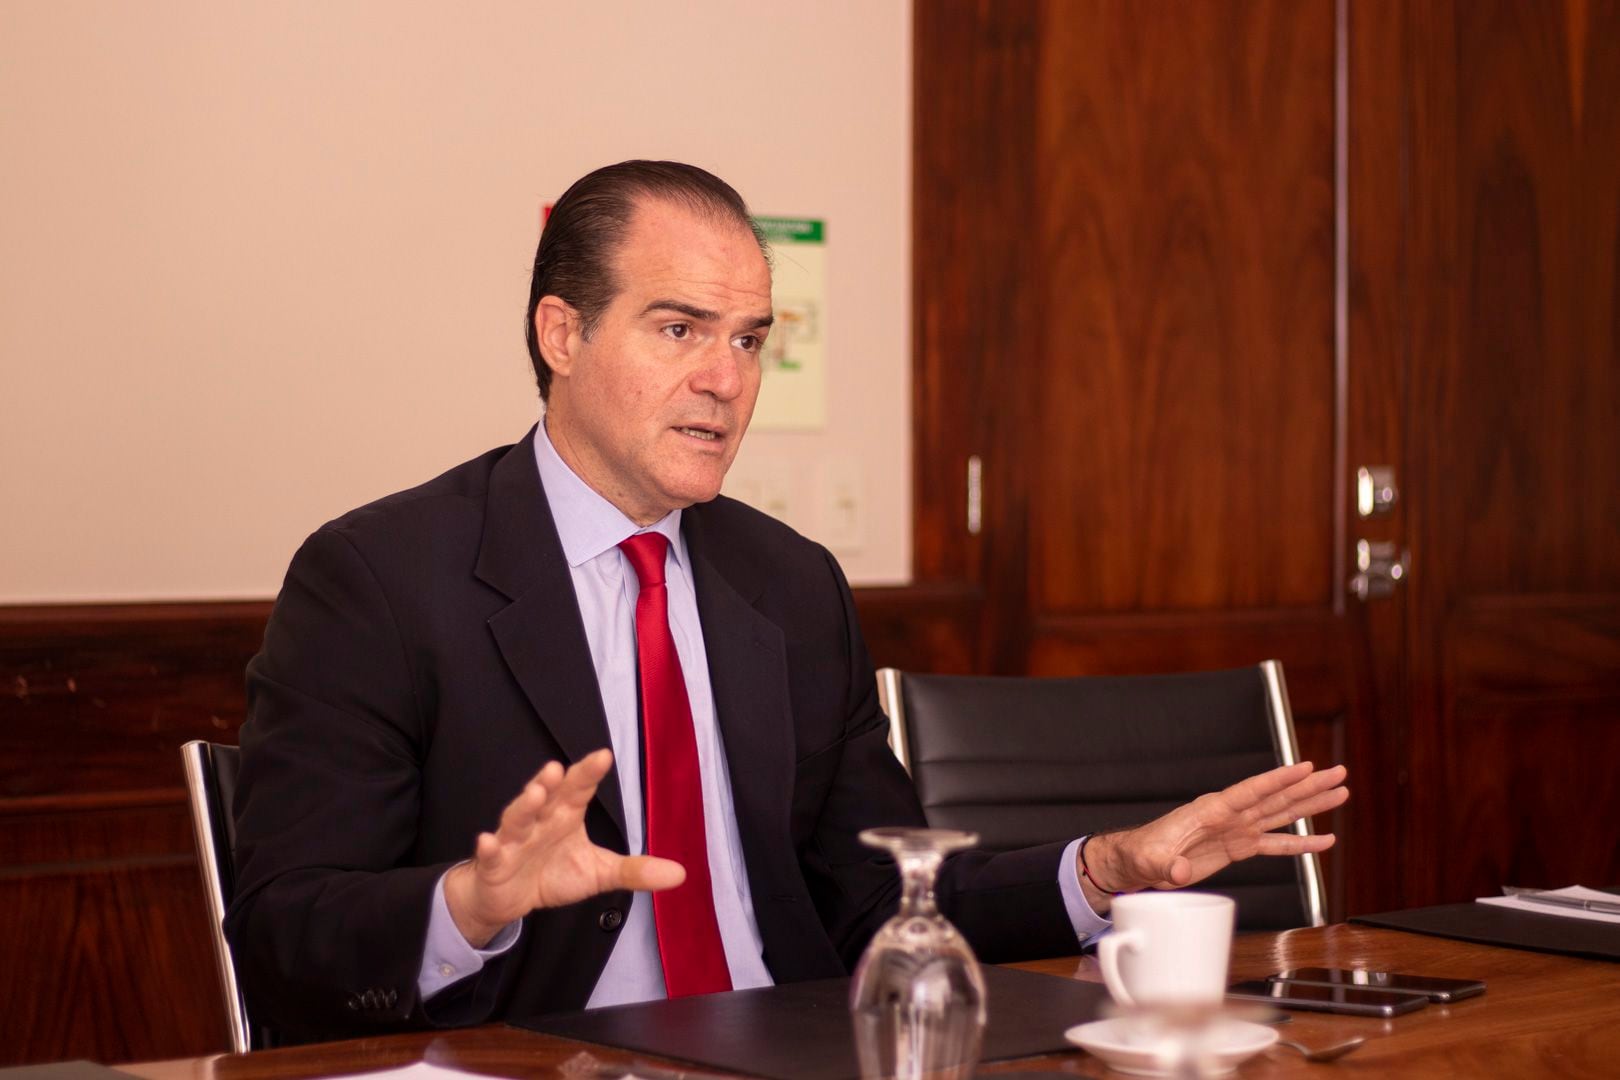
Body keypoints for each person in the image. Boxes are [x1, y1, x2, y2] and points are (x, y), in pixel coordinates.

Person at [226, 160, 1347, 1044]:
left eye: (750, 339)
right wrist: (471, 901)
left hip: (797, 1050)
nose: (728, 378)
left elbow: (880, 894)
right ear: (561, 334)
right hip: (538, 1051)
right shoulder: (378, 578)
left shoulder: (788, 583)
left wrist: (1108, 867)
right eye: (680, 331)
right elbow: (284, 933)